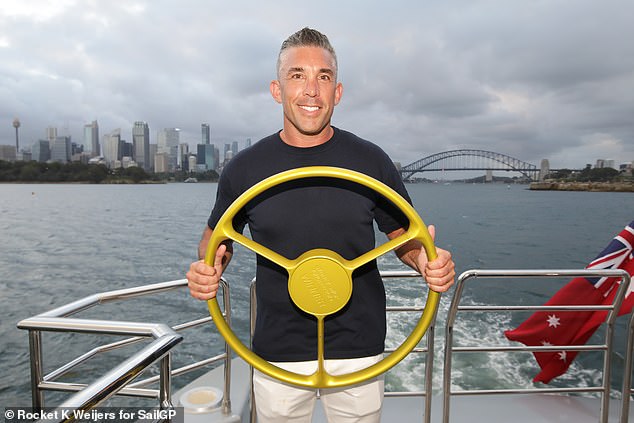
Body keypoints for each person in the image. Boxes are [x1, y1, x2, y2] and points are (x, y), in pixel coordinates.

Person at [187, 27, 455, 423]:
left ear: (338, 92)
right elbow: (215, 243)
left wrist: (426, 262)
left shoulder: (372, 161)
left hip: (358, 347)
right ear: (277, 89)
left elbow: (404, 238)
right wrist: (207, 271)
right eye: (297, 75)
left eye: (323, 77)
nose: (311, 90)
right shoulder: (244, 169)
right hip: (277, 348)